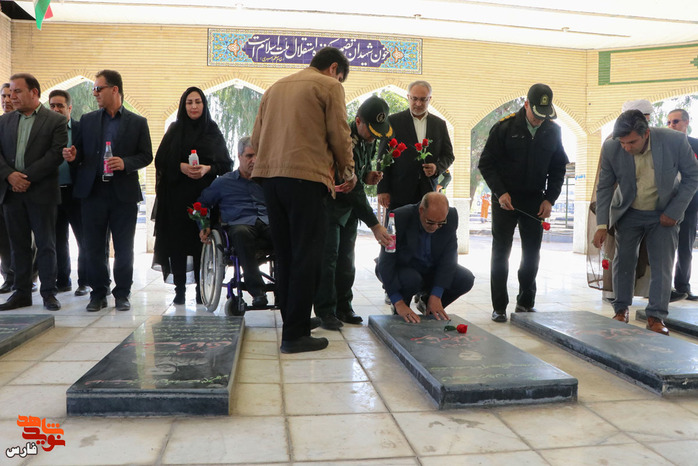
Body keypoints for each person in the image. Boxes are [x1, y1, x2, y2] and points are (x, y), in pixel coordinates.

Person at [251, 46, 356, 354]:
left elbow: (255, 140)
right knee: (307, 257)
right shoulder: (329, 86)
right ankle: (295, 336)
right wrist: (348, 171)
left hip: (271, 181)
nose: (339, 81)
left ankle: (293, 321)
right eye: (340, 77)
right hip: (306, 180)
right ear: (334, 69)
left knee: (285, 256)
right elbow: (340, 134)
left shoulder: (274, 88)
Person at [593, 110, 698, 335]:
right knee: (623, 260)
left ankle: (656, 317)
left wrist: (674, 211)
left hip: (664, 212)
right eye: (622, 142)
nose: (626, 147)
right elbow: (604, 187)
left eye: (632, 142)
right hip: (629, 211)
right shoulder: (611, 147)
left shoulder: (674, 141)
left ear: (646, 133)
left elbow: (693, 176)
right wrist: (601, 225)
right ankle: (621, 310)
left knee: (662, 264)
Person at [478, 83, 569, 323]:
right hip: (505, 199)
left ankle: (526, 301)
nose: (540, 120)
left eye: (544, 115)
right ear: (526, 104)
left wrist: (550, 199)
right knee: (501, 253)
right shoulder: (504, 128)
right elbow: (486, 164)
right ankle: (499, 306)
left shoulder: (553, 131)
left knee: (531, 254)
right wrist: (500, 192)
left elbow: (558, 169)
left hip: (535, 200)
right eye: (536, 114)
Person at [64, 70, 153, 312]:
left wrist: (125, 162)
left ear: (115, 90)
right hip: (93, 193)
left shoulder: (138, 122)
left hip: (123, 194)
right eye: (94, 89)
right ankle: (98, 293)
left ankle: (122, 293)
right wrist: (73, 156)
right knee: (93, 247)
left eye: (98, 88)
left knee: (124, 248)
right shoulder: (88, 120)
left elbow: (146, 155)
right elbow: (79, 153)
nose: (94, 93)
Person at [313, 96, 393, 330]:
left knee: (347, 261)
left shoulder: (369, 138)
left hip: (349, 211)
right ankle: (326, 311)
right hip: (330, 208)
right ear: (358, 121)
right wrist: (375, 224)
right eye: (371, 131)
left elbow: (359, 173)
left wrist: (368, 175)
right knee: (329, 261)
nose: (374, 137)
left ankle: (344, 307)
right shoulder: (344, 141)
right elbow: (352, 188)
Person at [152, 86, 231, 305]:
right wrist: (181, 167)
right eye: (189, 102)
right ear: (183, 106)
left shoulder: (212, 130)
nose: (194, 106)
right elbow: (161, 161)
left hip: (204, 199)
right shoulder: (175, 130)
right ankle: (179, 290)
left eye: (198, 102)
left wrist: (207, 169)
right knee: (177, 244)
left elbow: (225, 164)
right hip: (176, 198)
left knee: (201, 243)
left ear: (204, 105)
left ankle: (200, 290)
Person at [0, 73, 67, 311]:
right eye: (10, 92)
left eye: (17, 91)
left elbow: (55, 154)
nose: (12, 96)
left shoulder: (55, 121)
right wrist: (10, 175)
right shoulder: (4, 121)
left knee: (46, 244)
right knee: (18, 245)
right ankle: (21, 293)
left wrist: (25, 178)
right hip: (11, 192)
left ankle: (48, 293)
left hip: (41, 192)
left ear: (34, 92)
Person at [587, 100, 653, 302]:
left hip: (649, 209)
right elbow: (605, 184)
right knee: (617, 253)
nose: (627, 147)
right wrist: (604, 222)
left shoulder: (654, 140)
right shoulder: (612, 142)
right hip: (620, 210)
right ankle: (614, 295)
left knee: (645, 256)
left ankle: (640, 293)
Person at [375, 192, 474, 323]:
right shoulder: (399, 217)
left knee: (465, 278)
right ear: (421, 210)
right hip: (404, 270)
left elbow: (449, 259)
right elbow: (386, 262)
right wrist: (398, 302)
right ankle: (401, 308)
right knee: (412, 279)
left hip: (429, 268)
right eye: (430, 222)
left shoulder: (451, 216)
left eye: (440, 223)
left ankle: (428, 304)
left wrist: (436, 295)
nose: (435, 227)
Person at [198, 137, 270, 307]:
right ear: (239, 156)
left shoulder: (267, 181)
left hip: (266, 222)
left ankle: (287, 289)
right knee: (240, 233)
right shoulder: (223, 182)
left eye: (257, 156)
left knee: (285, 233)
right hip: (240, 225)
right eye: (249, 156)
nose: (254, 160)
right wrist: (204, 225)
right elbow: (201, 204)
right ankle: (258, 292)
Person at [377, 80, 454, 212]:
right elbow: (383, 157)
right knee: (398, 225)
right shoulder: (393, 122)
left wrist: (437, 167)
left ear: (429, 99)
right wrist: (382, 189)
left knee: (427, 225)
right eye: (415, 99)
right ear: (408, 97)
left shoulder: (439, 125)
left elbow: (448, 155)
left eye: (423, 99)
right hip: (399, 192)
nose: (418, 103)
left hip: (428, 193)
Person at [48, 89, 89, 297]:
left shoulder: (82, 129)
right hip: (52, 193)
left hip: (76, 193)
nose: (56, 109)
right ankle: (62, 280)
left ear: (69, 108)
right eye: (52, 106)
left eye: (60, 106)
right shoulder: (45, 130)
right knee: (57, 240)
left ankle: (85, 281)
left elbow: (89, 157)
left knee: (84, 239)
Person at [666, 108, 698, 302]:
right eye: (669, 122)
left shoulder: (695, 145)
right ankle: (659, 287)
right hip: (665, 205)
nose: (671, 125)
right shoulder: (663, 146)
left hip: (690, 205)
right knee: (662, 248)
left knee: (685, 247)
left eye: (675, 121)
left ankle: (683, 287)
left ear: (686, 122)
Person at [0, 83, 14, 294]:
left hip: (23, 187)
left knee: (24, 239)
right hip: (1, 189)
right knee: (3, 238)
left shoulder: (29, 124)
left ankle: (27, 277)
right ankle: (8, 277)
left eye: (11, 95)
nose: (7, 100)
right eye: (3, 96)